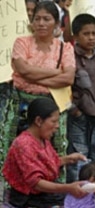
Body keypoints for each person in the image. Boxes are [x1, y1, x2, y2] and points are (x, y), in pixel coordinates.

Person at [0, 1, 75, 177]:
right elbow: (22, 70)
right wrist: (55, 73)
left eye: (46, 19)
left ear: (56, 24)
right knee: (9, 147)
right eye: (37, 19)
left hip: (52, 106)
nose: (41, 23)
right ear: (31, 22)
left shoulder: (65, 48)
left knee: (56, 149)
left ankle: (54, 193)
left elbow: (69, 78)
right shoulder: (21, 42)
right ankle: (6, 194)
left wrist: (32, 75)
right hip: (20, 104)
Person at [2, 97, 87, 208]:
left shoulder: (42, 140)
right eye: (53, 121)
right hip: (29, 200)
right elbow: (36, 183)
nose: (57, 126)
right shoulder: (23, 144)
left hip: (46, 195)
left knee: (86, 205)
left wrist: (67, 159)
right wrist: (69, 187)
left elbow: (45, 164)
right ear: (39, 121)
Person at [66, 14, 95, 183]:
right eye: (86, 34)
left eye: (94, 33)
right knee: (79, 156)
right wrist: (75, 111)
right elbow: (65, 88)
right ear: (76, 36)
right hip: (79, 117)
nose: (91, 37)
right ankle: (76, 193)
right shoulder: (70, 57)